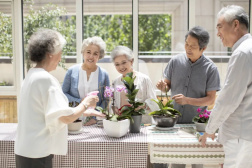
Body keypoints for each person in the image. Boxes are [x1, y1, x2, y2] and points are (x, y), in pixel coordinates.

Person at [14, 29, 105, 168]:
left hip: (24, 151)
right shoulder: (45, 79)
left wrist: (84, 112)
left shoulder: (31, 76)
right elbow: (66, 118)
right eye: (60, 52)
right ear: (51, 55)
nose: (61, 58)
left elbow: (50, 112)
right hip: (37, 153)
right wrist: (86, 104)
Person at [156, 26, 221, 168]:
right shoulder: (175, 61)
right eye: (186, 43)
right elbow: (167, 85)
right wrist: (163, 86)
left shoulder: (211, 69)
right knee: (176, 163)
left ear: (203, 49)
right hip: (175, 124)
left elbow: (211, 99)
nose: (188, 48)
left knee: (197, 164)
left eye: (193, 46)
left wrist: (187, 100)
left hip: (197, 126)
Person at [199, 5, 252, 168]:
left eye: (220, 27)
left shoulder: (243, 53)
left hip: (240, 136)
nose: (218, 33)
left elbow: (229, 99)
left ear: (235, 24)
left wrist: (210, 128)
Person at [62, 36, 110, 126]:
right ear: (83, 52)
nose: (91, 56)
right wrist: (81, 101)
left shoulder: (104, 74)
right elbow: (63, 94)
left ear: (99, 56)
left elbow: (106, 99)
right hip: (74, 120)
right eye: (88, 52)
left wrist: (95, 118)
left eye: (95, 54)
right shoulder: (71, 71)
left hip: (95, 122)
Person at [111, 45, 159, 124]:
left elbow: (154, 104)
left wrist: (142, 106)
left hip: (142, 125)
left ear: (131, 61)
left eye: (124, 62)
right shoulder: (116, 82)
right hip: (122, 124)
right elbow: (113, 103)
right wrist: (114, 108)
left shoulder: (144, 79)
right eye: (117, 64)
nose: (121, 67)